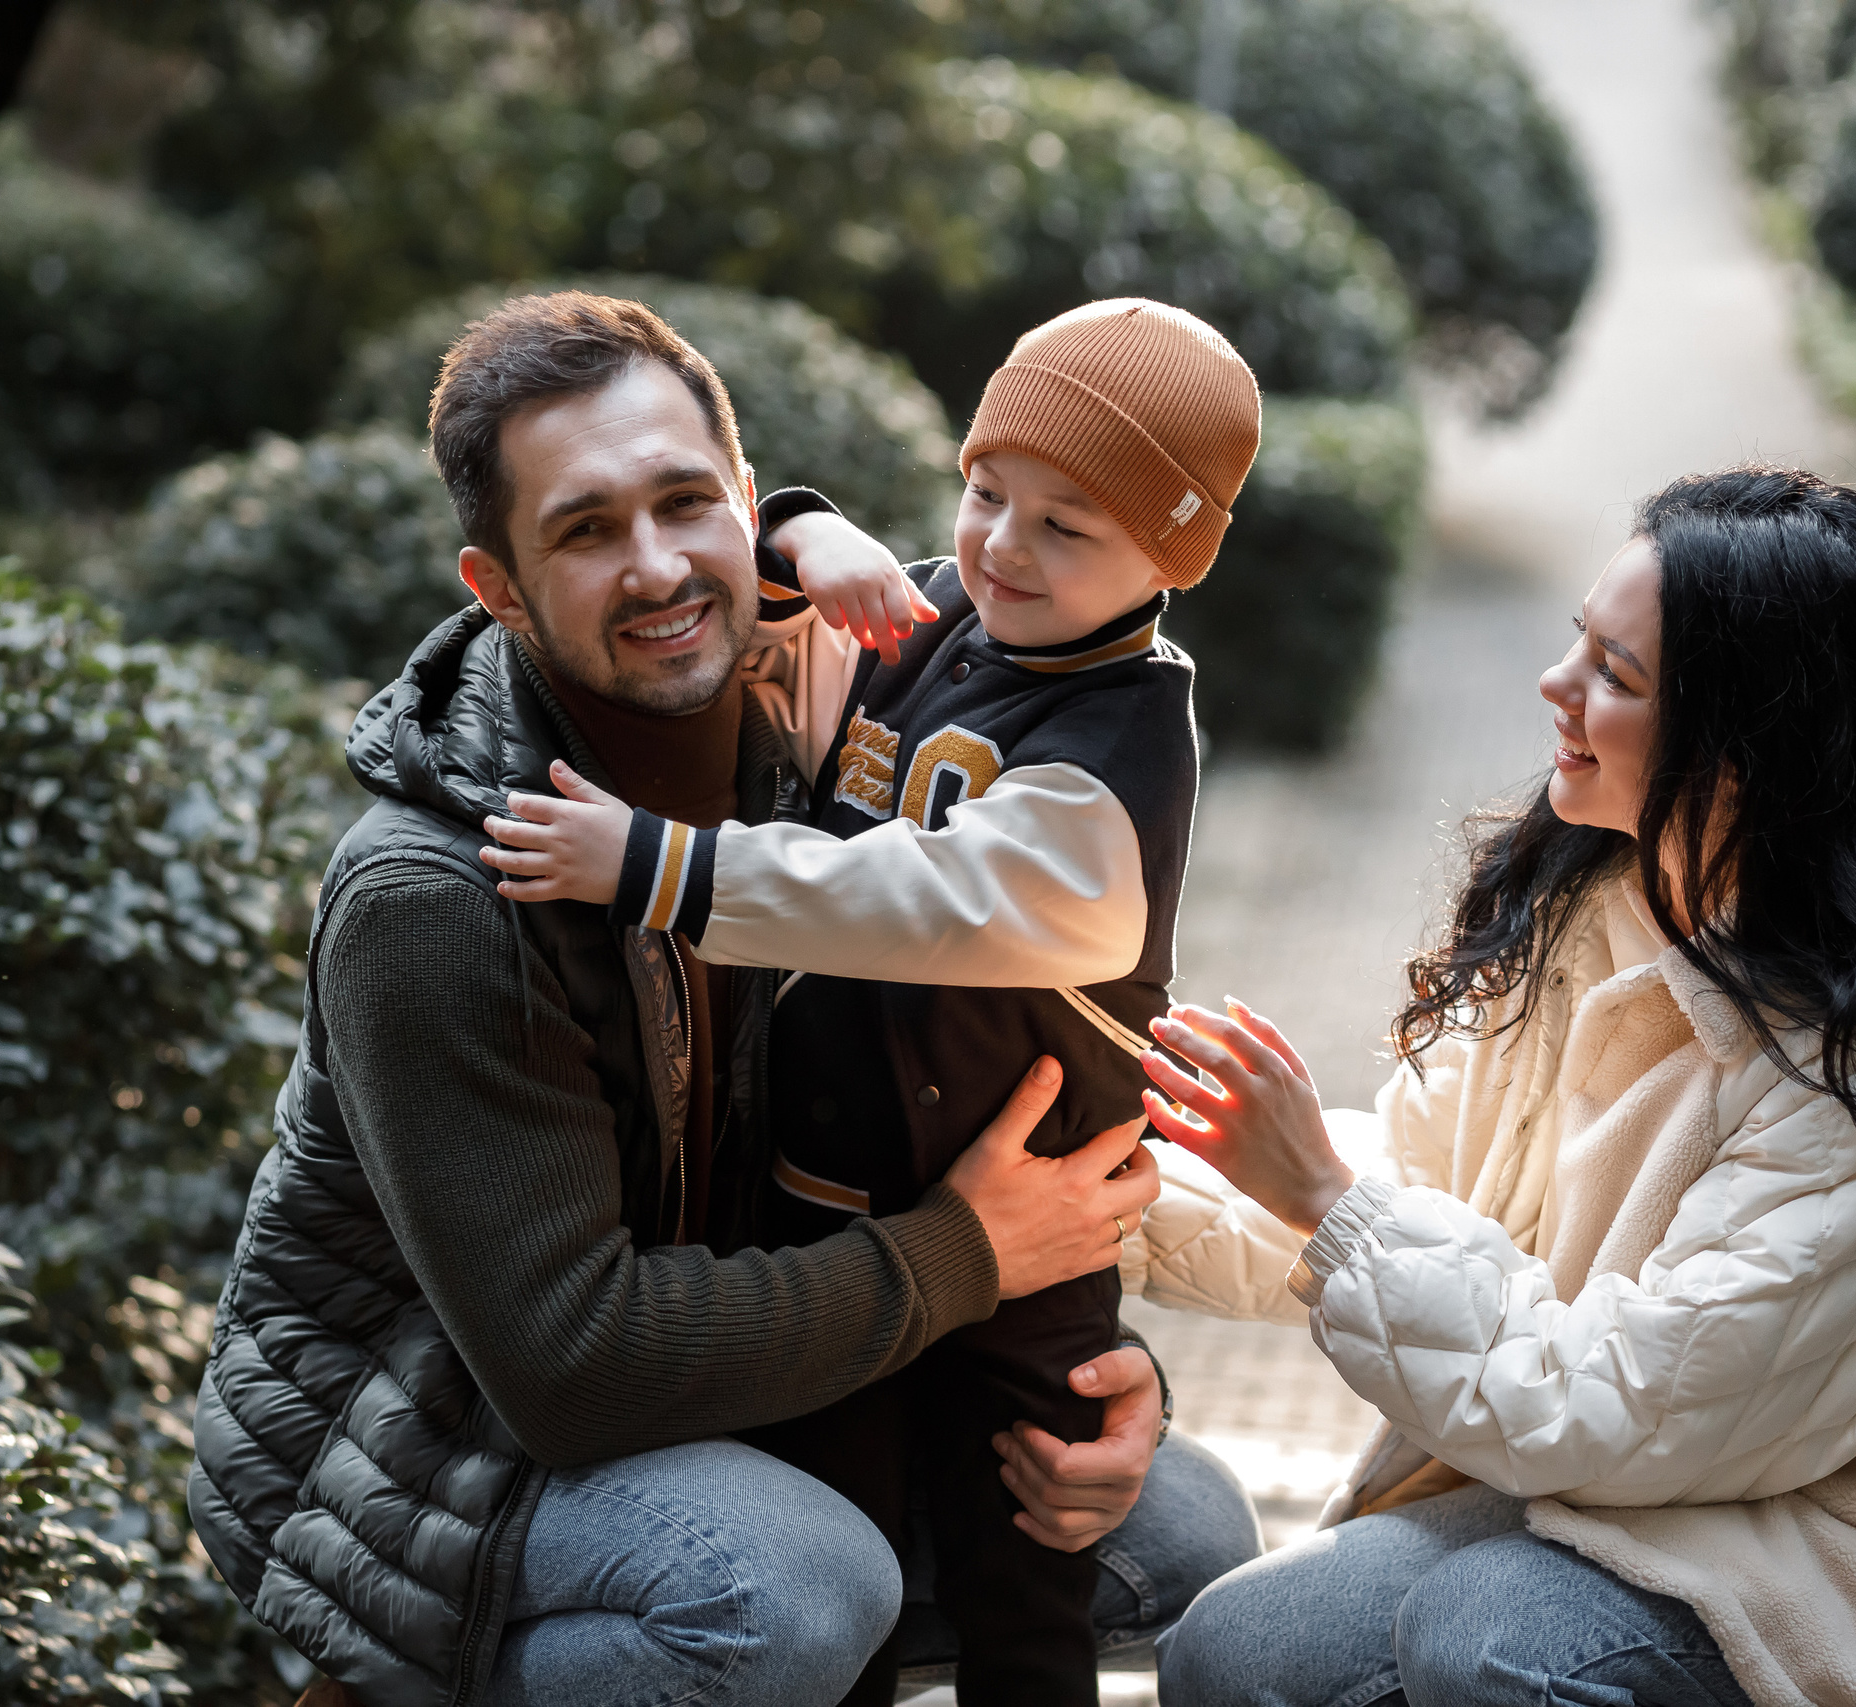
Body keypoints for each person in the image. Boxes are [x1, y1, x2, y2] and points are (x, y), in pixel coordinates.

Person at [184, 289, 1260, 1707]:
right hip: (431, 1442)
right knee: (790, 1581)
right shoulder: (442, 891)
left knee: (1165, 1522)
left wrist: (1086, 1357)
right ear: (495, 586)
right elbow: (569, 1365)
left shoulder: (800, 737)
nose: (656, 567)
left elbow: (953, 990)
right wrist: (962, 1259)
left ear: (745, 505)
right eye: (583, 529)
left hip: (747, 1333)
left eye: (686, 503)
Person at [1119, 467, 1856, 1706]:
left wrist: (1318, 1194)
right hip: (1680, 1485)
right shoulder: (1608, 897)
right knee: (1231, 1654)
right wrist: (1112, 1185)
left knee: (1492, 1640)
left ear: (1749, 755)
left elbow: (1610, 1406)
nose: (1555, 686)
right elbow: (1430, 1193)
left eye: (1616, 677)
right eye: (1581, 643)